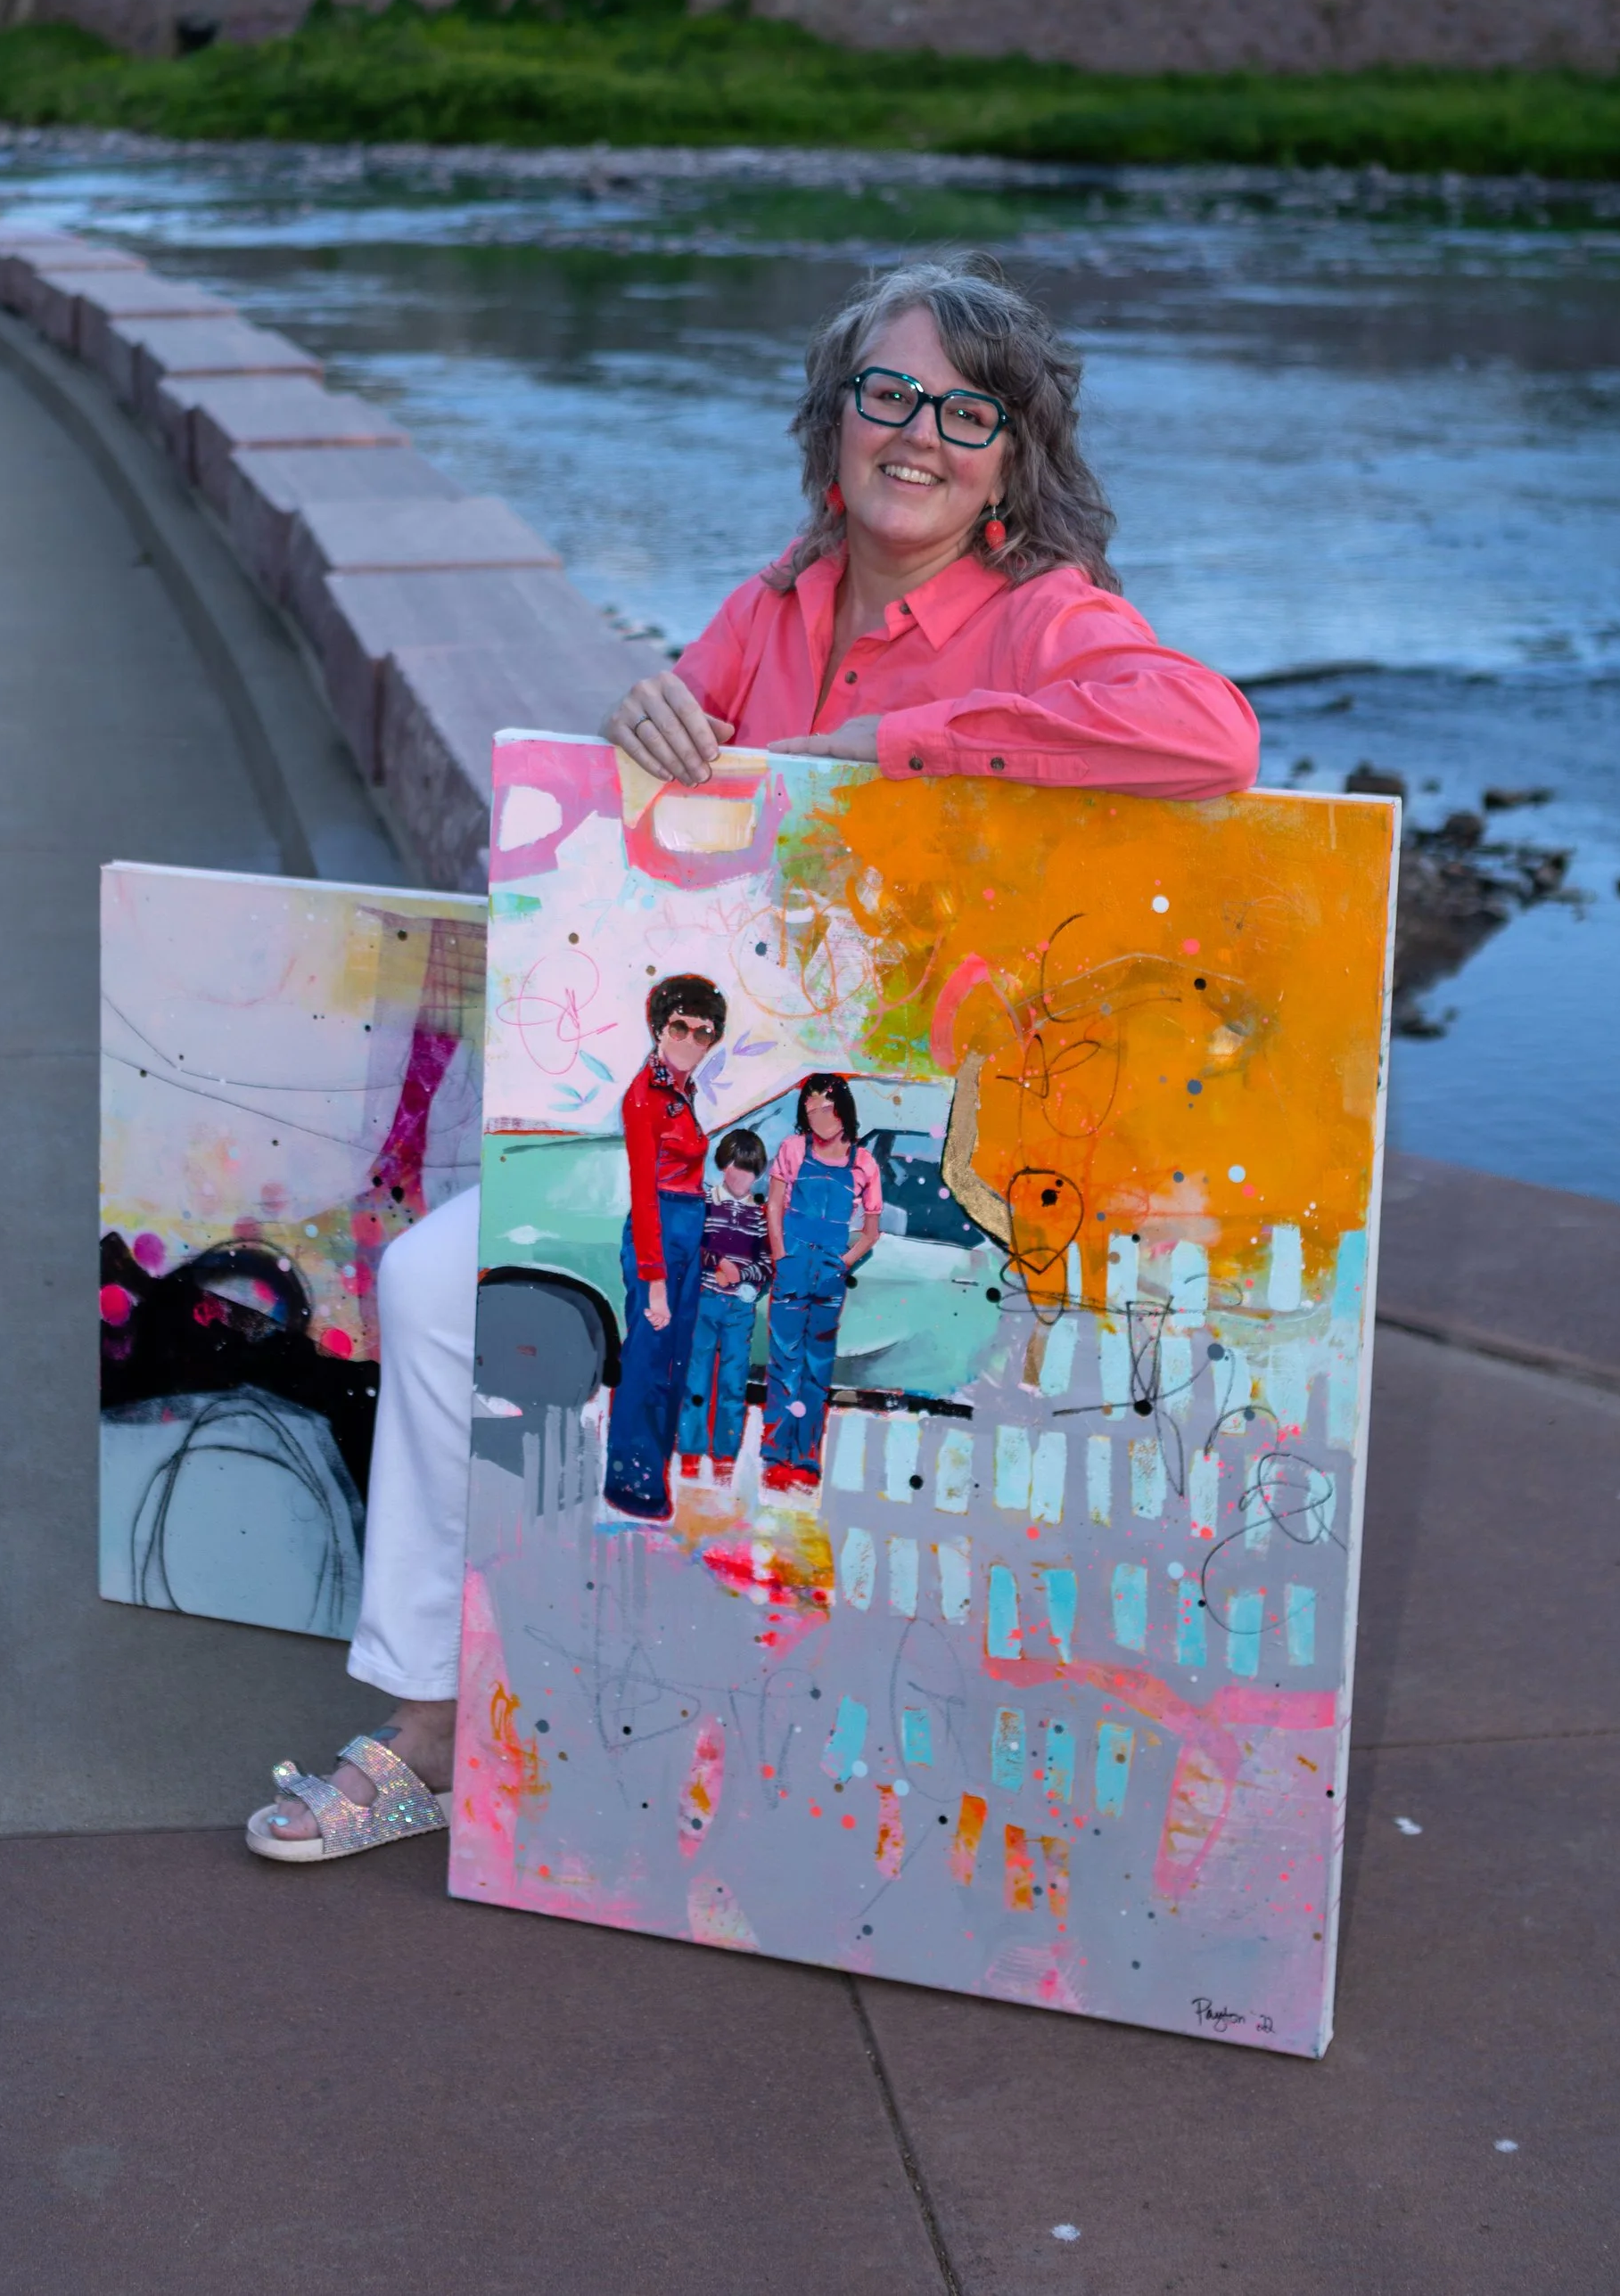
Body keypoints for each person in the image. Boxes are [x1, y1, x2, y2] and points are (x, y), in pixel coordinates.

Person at [249, 250, 1259, 1862]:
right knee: (445, 1286)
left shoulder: (1047, 619)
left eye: (966, 411)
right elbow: (659, 846)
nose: (918, 434)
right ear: (835, 417)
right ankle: (435, 1728)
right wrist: (647, 717)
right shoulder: (772, 607)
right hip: (721, 1123)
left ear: (1017, 458)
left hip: (913, 1170)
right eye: (888, 394)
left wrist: (904, 748)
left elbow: (1211, 738)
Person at [603, 974, 728, 1518]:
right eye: (681, 1027)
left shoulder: (682, 1090)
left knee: (674, 1362)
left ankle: (653, 1475)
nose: (691, 1042)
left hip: (685, 1231)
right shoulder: (644, 1096)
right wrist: (654, 1281)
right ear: (659, 1027)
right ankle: (631, 1483)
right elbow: (645, 1193)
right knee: (649, 1360)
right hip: (659, 1233)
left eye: (704, 1034)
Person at [760, 1078, 883, 1488]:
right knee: (783, 1363)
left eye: (825, 1109)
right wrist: (781, 1256)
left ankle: (807, 1458)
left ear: (842, 1111)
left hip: (829, 1276)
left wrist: (842, 1263)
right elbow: (774, 1205)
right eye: (810, 1111)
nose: (818, 1118)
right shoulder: (793, 1150)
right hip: (792, 1266)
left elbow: (871, 1231)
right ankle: (776, 1455)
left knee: (817, 1368)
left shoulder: (865, 1164)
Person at [677, 1127, 772, 1481]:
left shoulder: (759, 1216)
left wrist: (742, 1275)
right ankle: (689, 1452)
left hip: (739, 1310)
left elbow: (766, 1266)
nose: (741, 1177)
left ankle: (725, 1458)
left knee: (733, 1384)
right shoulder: (705, 1203)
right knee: (696, 1379)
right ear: (723, 1165)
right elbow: (689, 1249)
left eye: (749, 1170)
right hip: (703, 1303)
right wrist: (717, 1262)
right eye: (735, 1166)